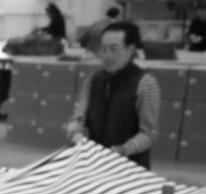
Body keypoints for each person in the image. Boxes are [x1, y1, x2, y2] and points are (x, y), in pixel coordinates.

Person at [66, 21, 160, 169]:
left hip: (131, 169)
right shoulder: (92, 81)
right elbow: (78, 117)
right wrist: (75, 132)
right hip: (96, 165)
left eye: (113, 49)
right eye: (103, 49)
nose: (107, 55)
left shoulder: (145, 84)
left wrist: (124, 150)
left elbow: (149, 134)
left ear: (131, 49)